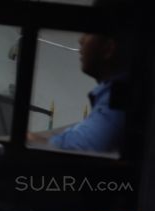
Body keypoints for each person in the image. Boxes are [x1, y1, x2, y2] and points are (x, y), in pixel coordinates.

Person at [27, 0, 129, 153]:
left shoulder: (122, 98)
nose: (80, 40)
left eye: (89, 32)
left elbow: (85, 145)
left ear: (108, 48)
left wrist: (31, 139)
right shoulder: (115, 94)